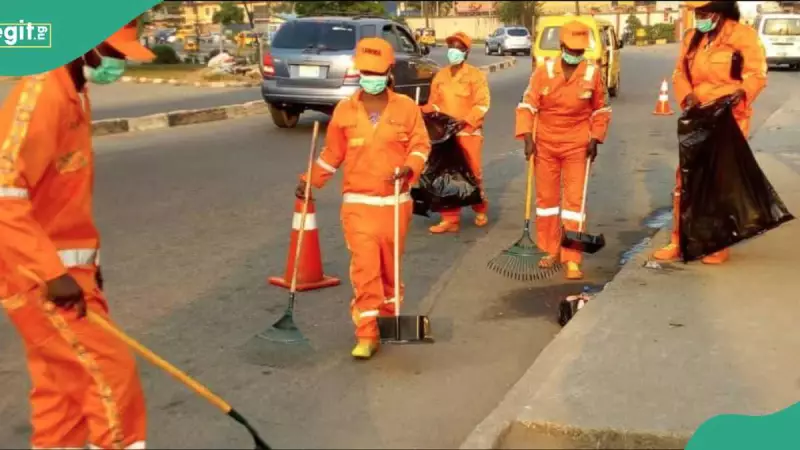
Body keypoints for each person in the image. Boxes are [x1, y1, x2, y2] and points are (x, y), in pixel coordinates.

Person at [0, 20, 152, 449]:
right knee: (111, 377)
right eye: (113, 51)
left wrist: (89, 266)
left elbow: (64, 203)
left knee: (62, 392)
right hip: (39, 277)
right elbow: (4, 195)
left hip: (66, 274)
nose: (119, 61)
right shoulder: (41, 95)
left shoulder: (74, 91)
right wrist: (52, 274)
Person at [294, 37, 431, 360]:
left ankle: (389, 323)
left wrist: (410, 167)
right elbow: (332, 154)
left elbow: (421, 145)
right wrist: (310, 181)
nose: (371, 78)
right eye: (366, 72)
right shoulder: (345, 110)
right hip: (358, 205)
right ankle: (366, 333)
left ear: (388, 72)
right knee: (365, 268)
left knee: (390, 270)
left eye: (376, 72)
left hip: (396, 205)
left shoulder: (406, 108)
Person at [653, 0, 767, 264]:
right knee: (686, 178)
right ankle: (679, 240)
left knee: (718, 180)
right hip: (698, 115)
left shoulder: (743, 36)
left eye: (704, 13)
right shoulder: (692, 38)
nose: (699, 18)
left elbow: (757, 74)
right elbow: (679, 73)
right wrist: (687, 95)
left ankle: (717, 243)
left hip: (729, 117)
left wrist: (742, 92)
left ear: (719, 11)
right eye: (697, 13)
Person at [514, 20, 612, 281]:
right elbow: (527, 105)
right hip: (545, 143)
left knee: (574, 205)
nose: (576, 55)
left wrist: (595, 138)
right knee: (546, 202)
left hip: (577, 144)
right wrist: (527, 136)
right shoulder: (543, 72)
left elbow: (601, 109)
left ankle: (572, 257)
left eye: (580, 51)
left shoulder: (592, 74)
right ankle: (548, 249)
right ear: (561, 46)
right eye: (571, 50)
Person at [421, 31, 491, 234]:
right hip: (445, 135)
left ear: (466, 52)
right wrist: (423, 111)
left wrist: (466, 121)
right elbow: (434, 103)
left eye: (459, 49)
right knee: (446, 174)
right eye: (451, 48)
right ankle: (450, 218)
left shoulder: (475, 76)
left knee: (472, 173)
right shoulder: (440, 76)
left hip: (468, 132)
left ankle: (480, 208)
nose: (454, 52)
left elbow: (482, 104)